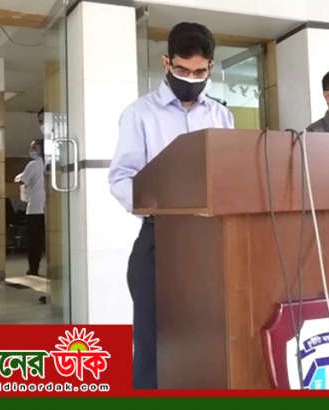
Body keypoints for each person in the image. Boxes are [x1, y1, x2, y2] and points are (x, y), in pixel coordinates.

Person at [108, 22, 234, 389]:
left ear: (210, 67)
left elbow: (229, 174)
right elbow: (121, 178)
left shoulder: (221, 115)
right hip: (160, 239)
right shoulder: (140, 113)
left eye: (199, 72)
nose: (190, 78)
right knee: (153, 343)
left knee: (207, 338)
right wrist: (160, 204)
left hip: (211, 242)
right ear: (166, 63)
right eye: (182, 70)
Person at [14, 137, 45, 277]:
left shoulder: (33, 165)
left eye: (34, 147)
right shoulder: (49, 164)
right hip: (46, 209)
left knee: (34, 242)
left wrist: (19, 177)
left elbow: (22, 180)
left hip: (34, 208)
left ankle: (33, 268)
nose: (31, 150)